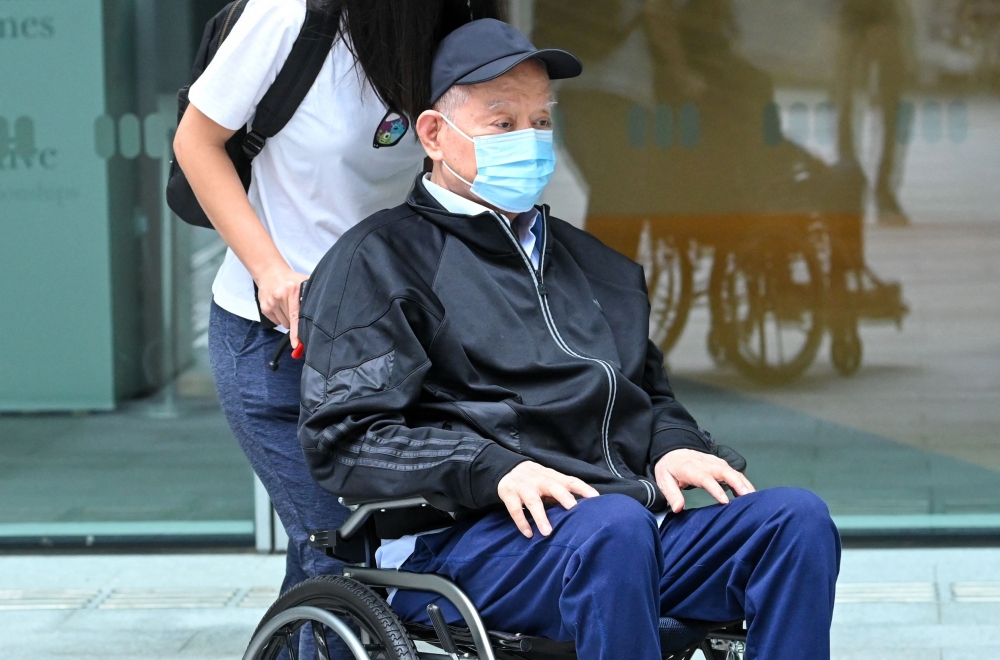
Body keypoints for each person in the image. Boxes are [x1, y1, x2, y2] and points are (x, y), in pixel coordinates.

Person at [298, 19, 841, 660]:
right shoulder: (380, 261)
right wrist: (491, 468)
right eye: (503, 124)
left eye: (541, 122)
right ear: (435, 135)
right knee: (612, 529)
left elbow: (649, 395)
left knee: (795, 522)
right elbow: (347, 436)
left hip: (621, 528)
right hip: (470, 543)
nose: (528, 141)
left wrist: (672, 446)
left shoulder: (597, 266)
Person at [171, 1, 504, 658]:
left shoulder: (457, 17)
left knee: (344, 559)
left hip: (390, 339)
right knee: (339, 551)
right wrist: (271, 272)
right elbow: (196, 141)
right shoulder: (290, 16)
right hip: (277, 342)